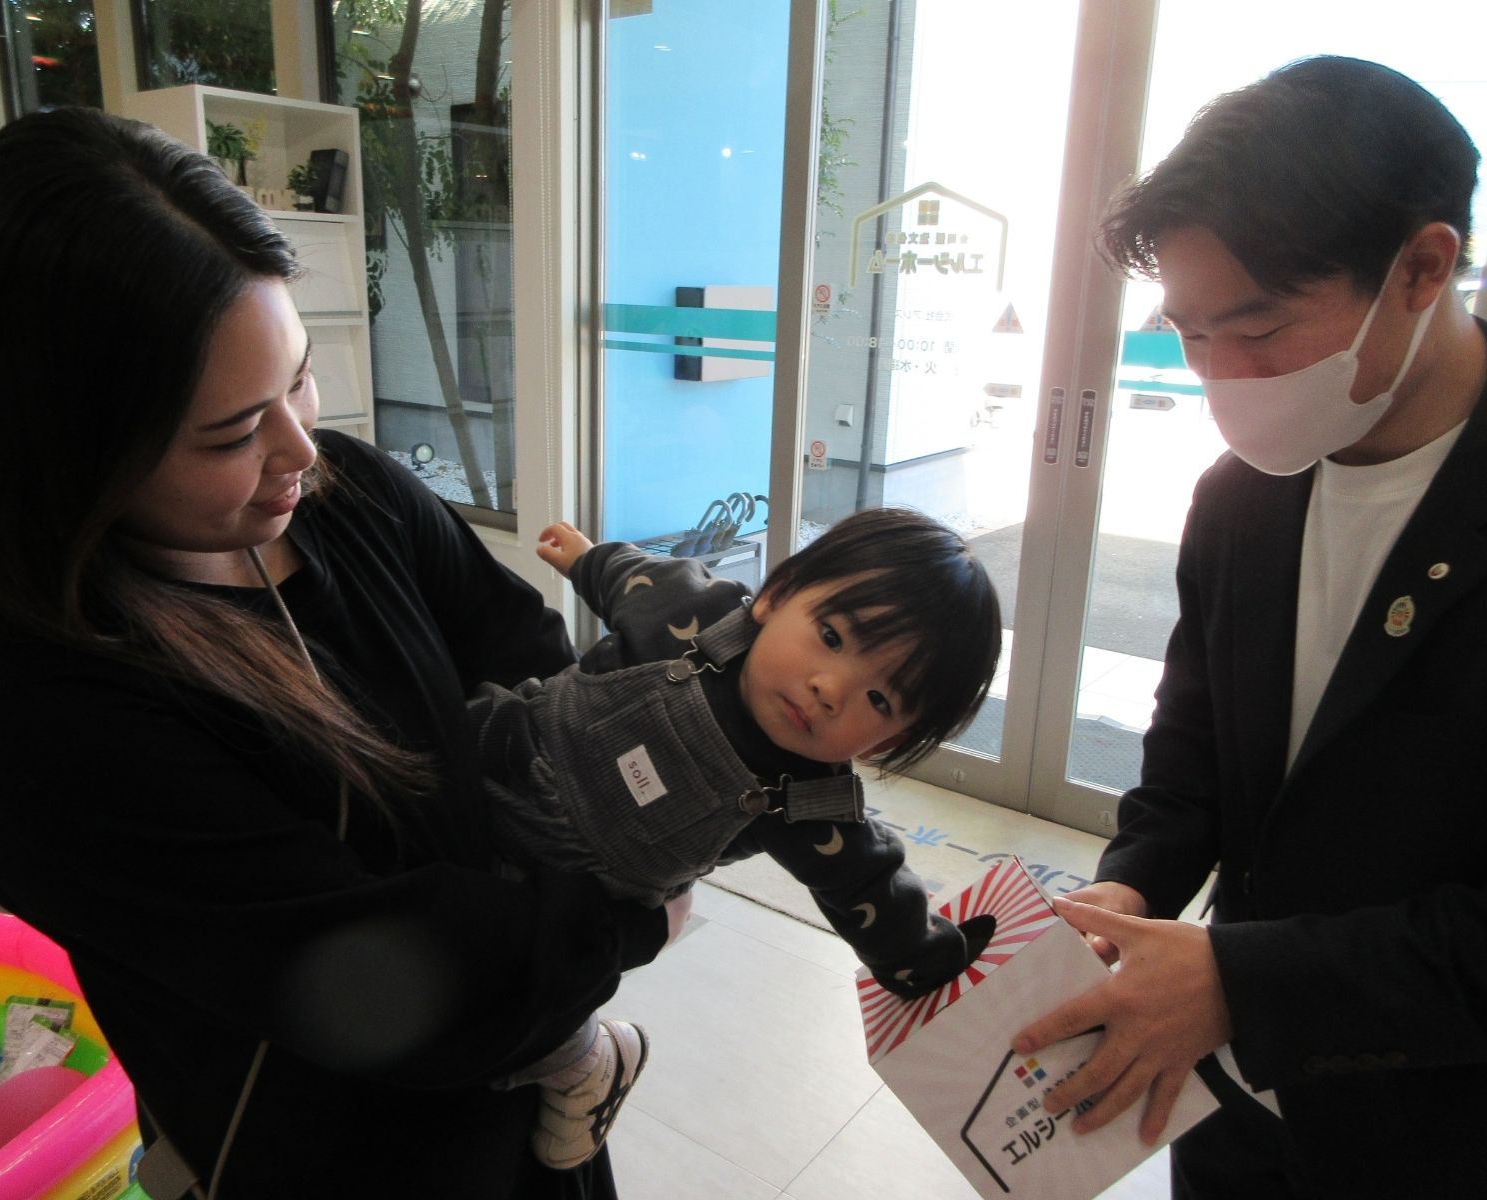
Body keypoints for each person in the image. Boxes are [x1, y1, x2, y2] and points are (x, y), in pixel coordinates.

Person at [0, 106, 671, 1198]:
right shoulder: (45, 715)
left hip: (526, 1098)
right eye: (230, 433)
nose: (299, 449)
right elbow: (383, 982)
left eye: (298, 379)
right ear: (60, 452)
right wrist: (621, 910)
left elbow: (527, 656)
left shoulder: (350, 496)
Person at [1009, 56, 1487, 1197]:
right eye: (1188, 333)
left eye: (1259, 327)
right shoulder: (1239, 498)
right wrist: (1131, 889)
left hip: (1436, 1130)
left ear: (1423, 268)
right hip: (1227, 1111)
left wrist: (1245, 984)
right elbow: (1192, 761)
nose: (1223, 378)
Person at [471, 507, 1004, 1168]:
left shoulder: (812, 805)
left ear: (886, 742)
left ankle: (588, 1064)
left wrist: (936, 963)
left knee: (526, 984)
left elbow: (875, 897)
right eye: (831, 637)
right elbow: (631, 578)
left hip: (567, 898)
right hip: (495, 752)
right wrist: (584, 557)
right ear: (775, 597)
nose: (831, 689)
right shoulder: (691, 613)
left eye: (880, 701)